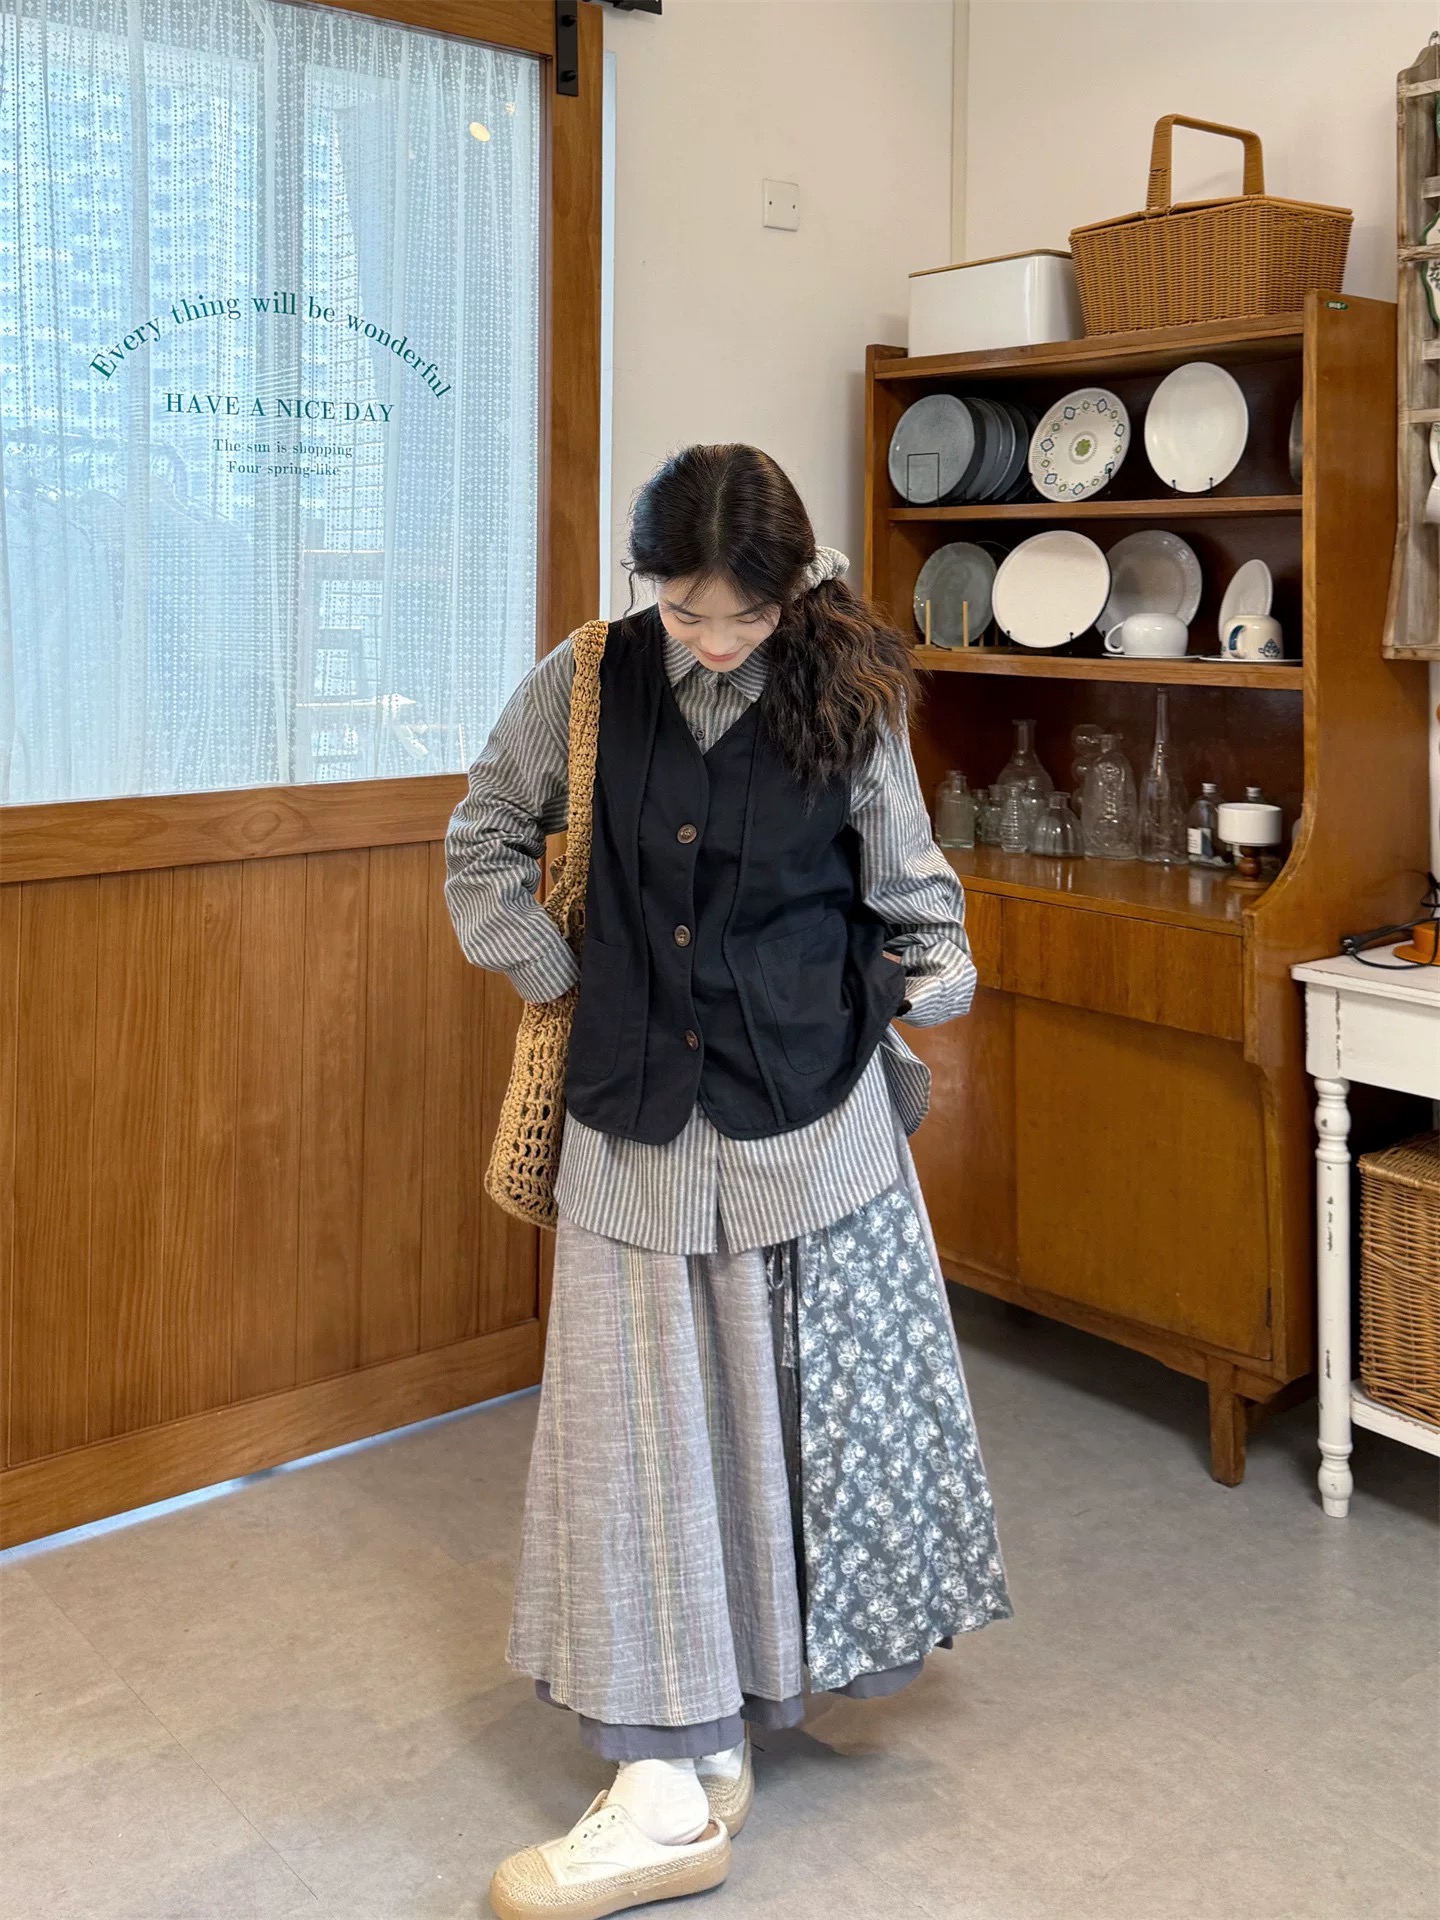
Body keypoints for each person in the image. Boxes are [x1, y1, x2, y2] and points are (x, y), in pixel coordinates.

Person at [444, 443, 1012, 1920]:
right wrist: (559, 975)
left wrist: (907, 988)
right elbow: (482, 840)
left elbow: (918, 898)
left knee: (780, 1429)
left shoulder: (850, 690)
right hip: (632, 1121)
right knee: (632, 1439)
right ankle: (663, 1767)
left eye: (741, 615)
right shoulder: (586, 682)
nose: (708, 638)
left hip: (808, 1125)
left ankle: (729, 1717)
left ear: (794, 587)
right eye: (682, 609)